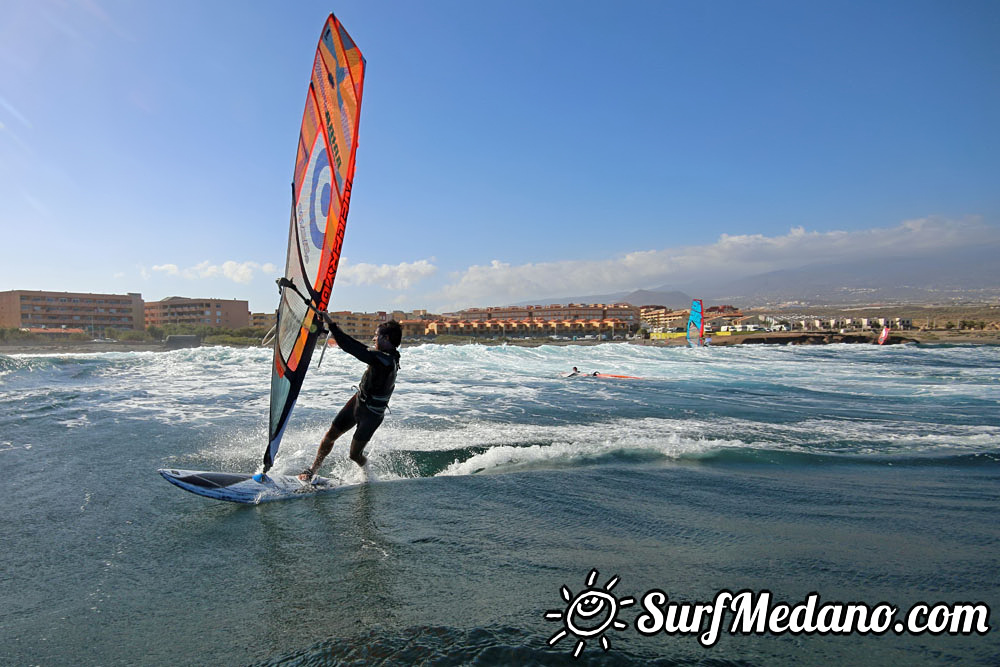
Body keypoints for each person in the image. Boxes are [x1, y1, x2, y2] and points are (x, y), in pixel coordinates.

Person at [298, 317, 402, 481]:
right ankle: (312, 470)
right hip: (358, 402)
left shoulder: (387, 361)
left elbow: (354, 349)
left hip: (372, 414)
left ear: (386, 338)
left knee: (354, 455)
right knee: (329, 436)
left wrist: (333, 326)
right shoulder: (382, 356)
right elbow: (357, 346)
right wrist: (327, 331)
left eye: (377, 335)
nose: (374, 339)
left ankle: (367, 474)